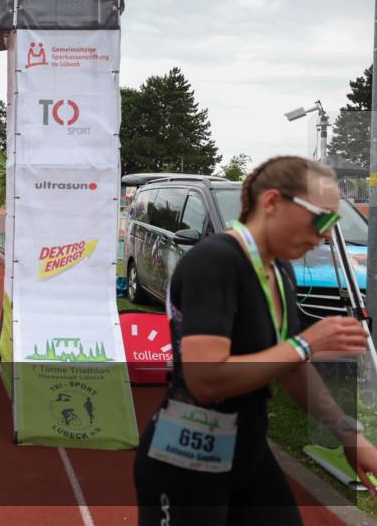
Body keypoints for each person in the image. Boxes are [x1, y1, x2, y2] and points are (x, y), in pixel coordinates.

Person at [133, 156, 377, 524]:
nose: (327, 233)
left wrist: (346, 432)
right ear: (272, 202)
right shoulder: (214, 261)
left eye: (334, 223)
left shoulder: (279, 269)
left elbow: (291, 367)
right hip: (185, 457)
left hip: (246, 448)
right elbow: (205, 380)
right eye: (322, 219)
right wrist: (306, 343)